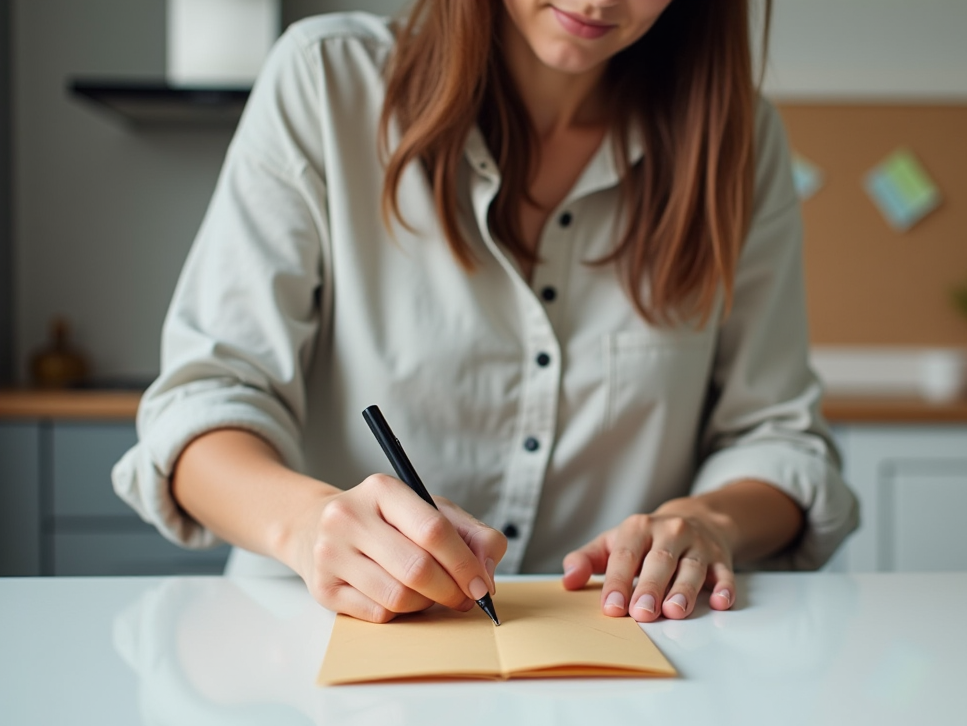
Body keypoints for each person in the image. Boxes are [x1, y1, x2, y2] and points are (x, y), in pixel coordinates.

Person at [114, 0, 859, 625]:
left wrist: (708, 522)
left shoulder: (737, 143)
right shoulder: (326, 82)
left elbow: (778, 440)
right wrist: (307, 524)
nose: (599, 0)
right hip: (310, 658)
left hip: (615, 671)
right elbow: (202, 408)